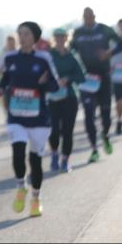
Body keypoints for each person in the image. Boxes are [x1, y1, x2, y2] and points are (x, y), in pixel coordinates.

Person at [0, 22, 59, 217]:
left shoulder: (43, 58)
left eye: (26, 34)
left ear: (34, 38)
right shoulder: (10, 58)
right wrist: (0, 88)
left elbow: (55, 85)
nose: (22, 37)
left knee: (35, 161)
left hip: (39, 118)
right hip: (16, 116)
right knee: (17, 152)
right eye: (20, 33)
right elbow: (5, 78)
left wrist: (44, 84)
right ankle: (21, 187)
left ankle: (36, 198)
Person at [70, 7, 122, 163]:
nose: (88, 19)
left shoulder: (104, 30)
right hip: (87, 78)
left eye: (90, 16)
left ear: (94, 16)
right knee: (89, 114)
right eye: (85, 17)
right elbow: (71, 51)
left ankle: (105, 135)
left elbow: (121, 45)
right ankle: (94, 149)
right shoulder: (78, 32)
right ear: (83, 18)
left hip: (104, 76)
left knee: (105, 113)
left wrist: (109, 53)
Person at [47, 28, 84, 172]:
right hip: (53, 97)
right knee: (54, 130)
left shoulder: (72, 56)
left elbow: (81, 76)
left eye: (62, 37)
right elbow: (42, 74)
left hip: (70, 97)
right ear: (54, 38)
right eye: (57, 37)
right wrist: (52, 81)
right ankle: (54, 155)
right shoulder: (49, 55)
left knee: (68, 131)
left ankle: (65, 159)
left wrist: (68, 79)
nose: (60, 39)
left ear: (66, 38)